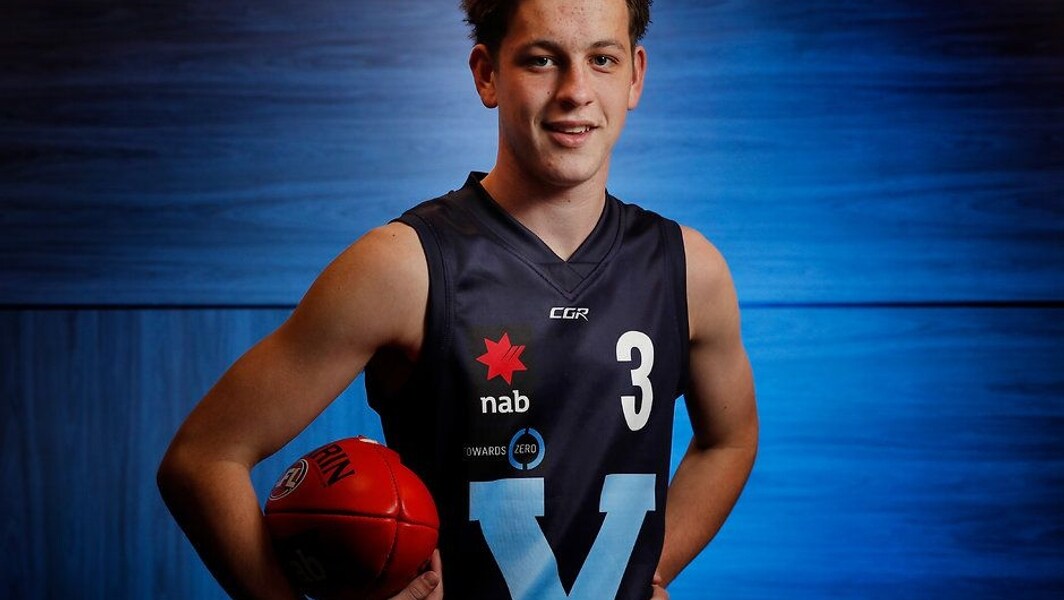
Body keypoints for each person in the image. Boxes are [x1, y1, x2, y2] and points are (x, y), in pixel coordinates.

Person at [157, 0, 758, 598]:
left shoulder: (688, 269)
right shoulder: (404, 267)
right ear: (487, 74)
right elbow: (203, 459)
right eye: (542, 60)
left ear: (635, 75)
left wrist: (645, 568)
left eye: (603, 59)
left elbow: (729, 439)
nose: (576, 91)